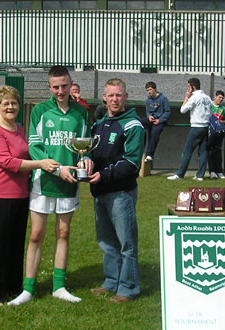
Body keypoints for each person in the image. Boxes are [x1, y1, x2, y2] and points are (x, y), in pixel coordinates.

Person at [8, 65, 91, 306]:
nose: (60, 90)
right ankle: (28, 289)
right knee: (36, 234)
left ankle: (58, 286)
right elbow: (34, 147)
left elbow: (84, 146)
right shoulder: (40, 111)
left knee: (63, 233)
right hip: (44, 180)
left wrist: (84, 161)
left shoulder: (81, 113)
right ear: (49, 87)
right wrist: (56, 168)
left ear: (71, 83)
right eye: (55, 87)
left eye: (64, 85)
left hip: (70, 180)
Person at [0, 85, 60, 306]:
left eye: (14, 103)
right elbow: (8, 162)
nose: (10, 107)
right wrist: (40, 164)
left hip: (20, 193)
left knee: (16, 242)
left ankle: (13, 287)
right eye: (5, 103)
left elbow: (27, 151)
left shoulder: (19, 129)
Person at [88, 78, 144, 303]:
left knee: (126, 244)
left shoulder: (133, 125)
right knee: (106, 242)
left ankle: (128, 288)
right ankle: (111, 282)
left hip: (121, 193)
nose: (114, 99)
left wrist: (104, 174)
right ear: (104, 97)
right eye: (110, 95)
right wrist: (86, 162)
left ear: (126, 97)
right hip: (100, 192)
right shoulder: (99, 124)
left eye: (118, 95)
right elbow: (90, 151)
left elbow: (131, 163)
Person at [167, 78, 212, 181]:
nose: (188, 89)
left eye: (188, 87)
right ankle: (200, 175)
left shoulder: (194, 97)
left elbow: (183, 110)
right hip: (206, 126)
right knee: (203, 151)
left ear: (193, 87)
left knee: (187, 151)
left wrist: (186, 97)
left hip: (196, 126)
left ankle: (180, 174)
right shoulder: (207, 97)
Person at [140, 81, 170, 162]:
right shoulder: (148, 100)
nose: (149, 92)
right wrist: (149, 116)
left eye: (150, 89)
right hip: (151, 120)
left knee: (154, 134)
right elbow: (147, 111)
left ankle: (149, 154)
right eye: (147, 90)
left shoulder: (163, 99)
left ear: (155, 89)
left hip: (160, 121)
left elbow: (167, 112)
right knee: (138, 123)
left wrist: (160, 120)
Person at [207, 90, 225, 179]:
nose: (221, 99)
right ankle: (212, 171)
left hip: (219, 132)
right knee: (209, 151)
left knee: (217, 151)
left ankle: (219, 171)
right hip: (209, 131)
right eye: (219, 97)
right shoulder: (209, 106)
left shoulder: (223, 109)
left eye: (222, 98)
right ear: (215, 97)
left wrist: (221, 121)